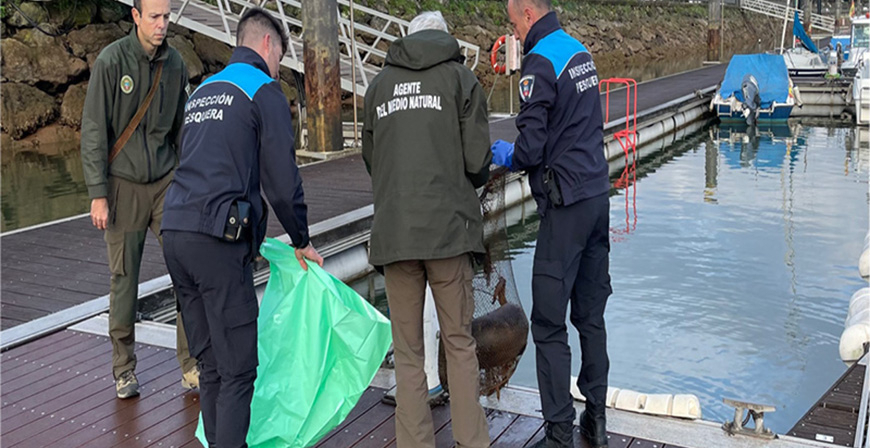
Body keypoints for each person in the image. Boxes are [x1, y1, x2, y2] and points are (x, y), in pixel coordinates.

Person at [161, 7, 322, 447]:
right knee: (237, 372)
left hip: (174, 234)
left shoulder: (203, 90)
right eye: (279, 60)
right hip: (217, 242)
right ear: (268, 45)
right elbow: (282, 182)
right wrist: (302, 239)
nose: (278, 71)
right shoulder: (262, 89)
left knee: (211, 366)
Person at [362, 11, 492, 448]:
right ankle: (471, 440)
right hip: (448, 234)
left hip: (395, 233)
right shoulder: (460, 80)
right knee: (458, 341)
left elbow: (371, 159)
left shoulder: (378, 86)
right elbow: (477, 163)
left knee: (408, 351)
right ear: (444, 38)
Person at [491, 0, 612, 447]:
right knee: (591, 316)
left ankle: (559, 433)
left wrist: (503, 153)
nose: (515, 33)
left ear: (526, 13)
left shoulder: (539, 64)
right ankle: (595, 423)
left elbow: (530, 149)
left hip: (564, 209)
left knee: (547, 322)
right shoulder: (580, 52)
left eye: (513, 23)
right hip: (597, 197)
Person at [80, 0, 199, 400]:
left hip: (167, 182)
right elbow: (94, 130)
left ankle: (191, 364)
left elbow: (183, 131)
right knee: (124, 280)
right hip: (123, 184)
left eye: (166, 17)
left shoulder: (176, 64)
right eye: (154, 17)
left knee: (187, 269)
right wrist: (98, 194)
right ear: (135, 16)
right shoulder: (111, 62)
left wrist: (193, 181)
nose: (162, 25)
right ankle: (124, 369)